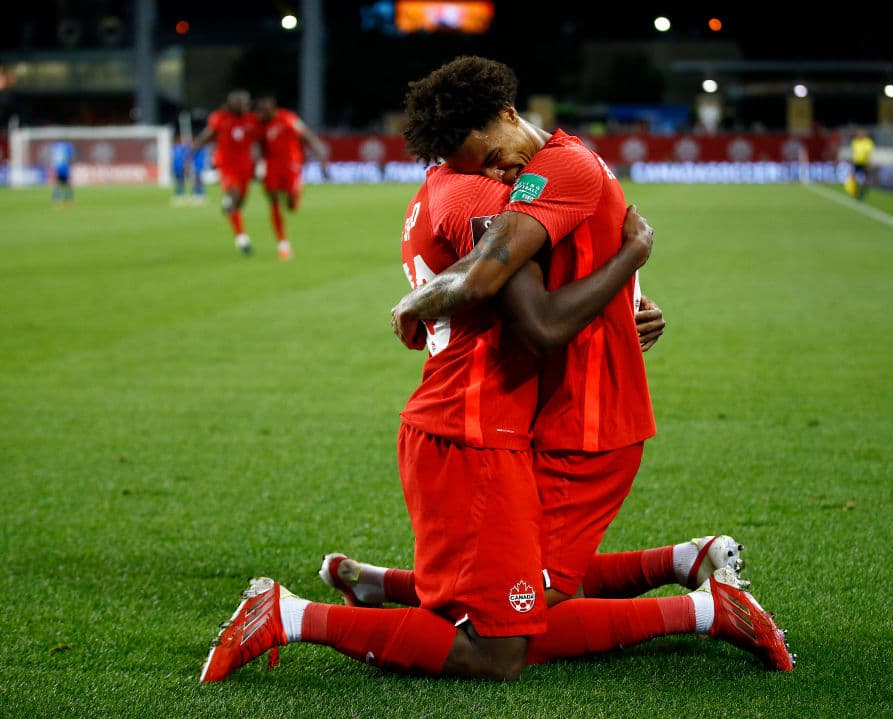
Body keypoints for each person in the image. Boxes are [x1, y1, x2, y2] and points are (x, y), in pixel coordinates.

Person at [200, 57, 792, 683]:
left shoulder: (490, 181)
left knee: (512, 616)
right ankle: (689, 578)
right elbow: (523, 290)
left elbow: (512, 285)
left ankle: (697, 597)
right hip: (511, 421)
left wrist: (623, 294)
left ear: (509, 115)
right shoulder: (491, 185)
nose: (493, 170)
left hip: (546, 421)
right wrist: (631, 268)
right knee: (503, 619)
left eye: (488, 153)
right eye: (474, 161)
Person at [201, 168, 659, 684]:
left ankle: (376, 586)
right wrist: (629, 261)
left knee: (519, 601)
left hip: (466, 422)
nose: (512, 168)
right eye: (491, 152)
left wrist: (620, 310)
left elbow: (490, 297)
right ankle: (289, 615)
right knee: (509, 638)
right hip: (475, 430)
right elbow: (539, 319)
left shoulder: (434, 192)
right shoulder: (477, 194)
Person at [255, 94, 330, 261]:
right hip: (272, 166)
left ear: (273, 108)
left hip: (292, 165)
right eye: (261, 111)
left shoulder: (288, 118)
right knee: (273, 199)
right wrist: (260, 165)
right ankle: (282, 244)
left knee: (291, 205)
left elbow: (308, 136)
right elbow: (259, 145)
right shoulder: (260, 125)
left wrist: (322, 162)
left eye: (266, 111)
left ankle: (295, 196)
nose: (263, 114)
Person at [190, 89, 262, 255]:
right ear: (232, 104)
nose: (245, 106)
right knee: (234, 194)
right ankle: (241, 238)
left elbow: (258, 142)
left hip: (245, 166)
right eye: (241, 103)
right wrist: (190, 156)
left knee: (240, 202)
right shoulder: (220, 118)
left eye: (246, 103)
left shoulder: (252, 119)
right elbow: (206, 135)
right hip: (226, 165)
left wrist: (258, 163)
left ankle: (229, 204)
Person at [171, 135, 207, 206]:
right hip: (179, 168)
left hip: (197, 167)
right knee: (180, 181)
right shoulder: (178, 148)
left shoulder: (199, 149)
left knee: (198, 181)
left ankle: (199, 195)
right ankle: (180, 195)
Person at [849, 127, 875, 200]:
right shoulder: (855, 142)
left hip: (864, 163)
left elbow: (869, 153)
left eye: (861, 133)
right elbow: (854, 153)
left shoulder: (868, 142)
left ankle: (862, 193)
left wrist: (868, 163)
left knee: (866, 179)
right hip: (857, 163)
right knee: (854, 178)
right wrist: (852, 161)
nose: (859, 135)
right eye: (858, 134)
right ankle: (855, 192)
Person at [49, 138, 74, 205]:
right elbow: (70, 157)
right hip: (64, 167)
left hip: (56, 167)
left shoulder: (54, 146)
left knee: (57, 184)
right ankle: (69, 200)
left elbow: (52, 157)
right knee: (68, 184)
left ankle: (56, 200)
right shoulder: (67, 146)